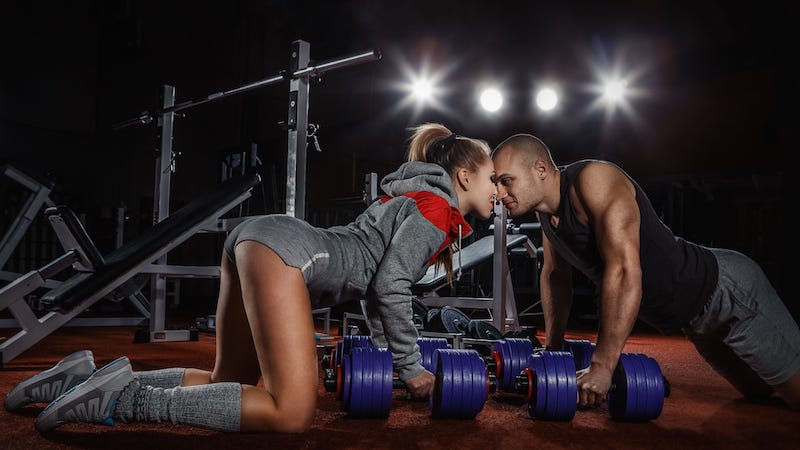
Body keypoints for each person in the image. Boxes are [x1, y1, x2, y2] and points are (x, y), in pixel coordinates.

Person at [4, 123, 498, 433]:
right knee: (290, 412)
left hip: (259, 239)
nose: (497, 190)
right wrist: (411, 369)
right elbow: (391, 286)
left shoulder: (412, 198)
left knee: (230, 380)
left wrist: (387, 355)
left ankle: (80, 380)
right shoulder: (436, 213)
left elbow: (376, 287)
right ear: (463, 177)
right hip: (286, 253)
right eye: (493, 178)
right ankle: (124, 399)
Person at [491, 133, 800, 410]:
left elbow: (625, 270)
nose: (500, 193)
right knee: (758, 392)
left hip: (726, 293)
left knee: (795, 394)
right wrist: (553, 351)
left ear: (540, 169)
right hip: (694, 320)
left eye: (507, 181)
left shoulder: (594, 180)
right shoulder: (549, 217)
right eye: (496, 184)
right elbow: (556, 278)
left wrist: (601, 367)